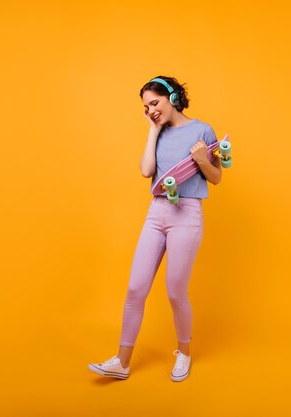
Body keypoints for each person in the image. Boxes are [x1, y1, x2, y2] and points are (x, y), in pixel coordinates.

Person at [88, 76, 222, 382]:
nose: (150, 110)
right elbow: (147, 171)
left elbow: (216, 178)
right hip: (157, 212)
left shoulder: (202, 129)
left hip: (186, 213)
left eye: (155, 103)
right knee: (135, 289)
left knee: (175, 292)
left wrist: (202, 160)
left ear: (172, 97)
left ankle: (184, 352)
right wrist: (152, 130)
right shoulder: (157, 132)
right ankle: (122, 362)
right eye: (146, 107)